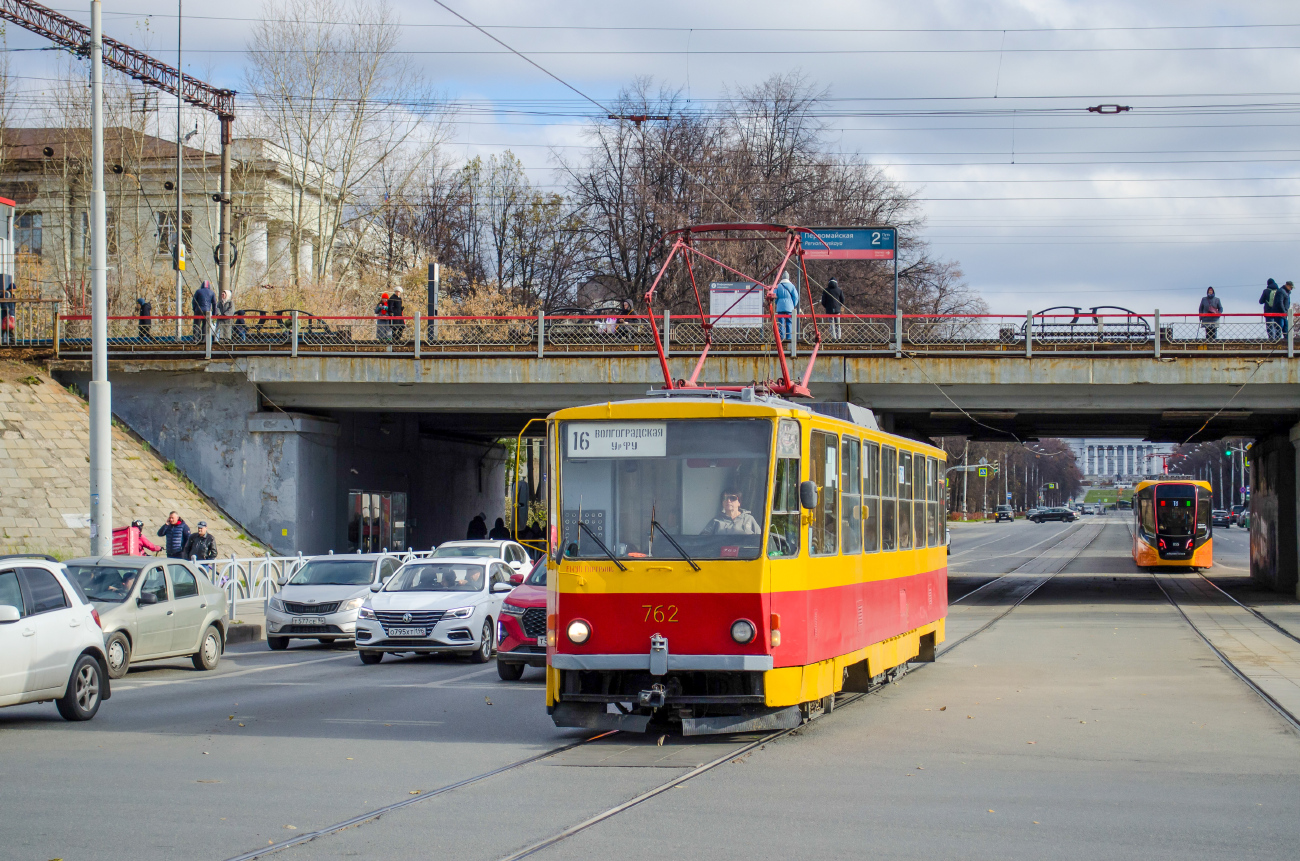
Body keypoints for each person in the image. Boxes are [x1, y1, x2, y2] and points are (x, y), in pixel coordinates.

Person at [774, 271, 798, 345]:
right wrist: (793, 304)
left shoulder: (778, 286)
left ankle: (782, 337)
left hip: (780, 307)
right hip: (789, 307)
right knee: (789, 322)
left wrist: (777, 303)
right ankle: (789, 337)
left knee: (781, 323)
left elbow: (775, 296)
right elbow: (796, 297)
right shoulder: (792, 286)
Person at [1, 278, 15, 345]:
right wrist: (8, 312)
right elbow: (4, 304)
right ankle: (13, 341)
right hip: (7, 314)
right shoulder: (7, 294)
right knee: (8, 327)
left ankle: (12, 340)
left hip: (9, 314)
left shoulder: (11, 295)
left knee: (6, 327)